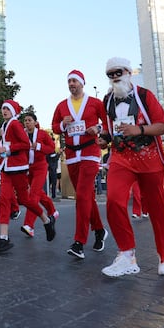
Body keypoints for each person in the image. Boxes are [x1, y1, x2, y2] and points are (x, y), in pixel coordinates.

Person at [97, 57, 164, 278]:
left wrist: (138, 130)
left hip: (149, 160)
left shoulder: (144, 95)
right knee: (113, 200)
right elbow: (107, 129)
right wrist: (103, 138)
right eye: (110, 74)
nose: (114, 77)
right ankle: (126, 254)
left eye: (118, 72)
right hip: (121, 158)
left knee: (157, 208)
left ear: (128, 72)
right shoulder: (107, 100)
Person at [52, 70, 108, 260]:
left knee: (82, 196)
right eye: (69, 81)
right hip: (71, 154)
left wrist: (98, 128)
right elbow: (54, 126)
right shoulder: (62, 105)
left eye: (75, 80)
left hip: (90, 152)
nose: (71, 84)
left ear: (82, 83)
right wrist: (62, 125)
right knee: (86, 197)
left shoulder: (95, 103)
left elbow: (108, 122)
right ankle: (99, 230)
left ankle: (79, 242)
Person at [0, 100, 56, 254]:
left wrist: (6, 148)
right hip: (7, 168)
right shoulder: (5, 125)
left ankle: (46, 220)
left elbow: (25, 143)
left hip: (18, 168)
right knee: (4, 200)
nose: (4, 111)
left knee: (25, 200)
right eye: (3, 108)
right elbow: (4, 144)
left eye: (7, 108)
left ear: (13, 111)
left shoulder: (15, 124)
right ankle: (3, 237)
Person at [20, 112, 58, 238]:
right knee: (39, 194)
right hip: (27, 168)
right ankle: (52, 211)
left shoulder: (42, 134)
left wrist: (40, 146)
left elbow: (52, 148)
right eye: (25, 120)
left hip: (40, 167)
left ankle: (29, 225)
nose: (27, 122)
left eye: (29, 120)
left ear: (35, 122)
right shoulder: (22, 134)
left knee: (33, 195)